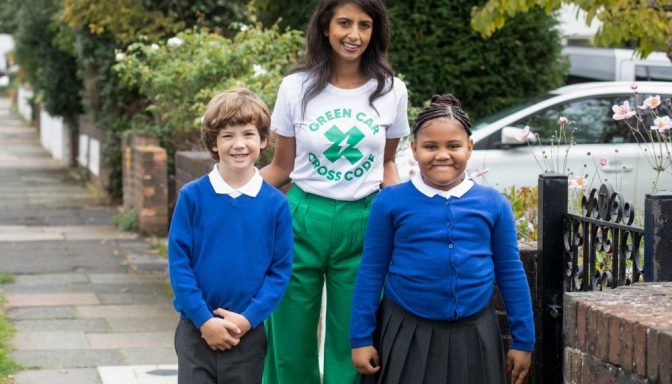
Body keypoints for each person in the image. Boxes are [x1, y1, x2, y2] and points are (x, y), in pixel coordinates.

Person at [260, 0, 410, 383]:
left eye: (364, 25)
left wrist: (410, 212)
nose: (354, 35)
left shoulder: (391, 90)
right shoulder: (296, 87)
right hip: (302, 217)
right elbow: (281, 167)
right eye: (344, 23)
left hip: (364, 221)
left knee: (354, 344)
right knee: (290, 341)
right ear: (326, 26)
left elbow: (387, 165)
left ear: (375, 31)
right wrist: (225, 195)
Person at [350, 95, 535, 384]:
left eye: (453, 146)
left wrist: (523, 340)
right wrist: (361, 337)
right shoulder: (390, 202)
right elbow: (371, 272)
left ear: (470, 147)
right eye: (430, 146)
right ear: (414, 149)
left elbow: (511, 273)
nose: (442, 155)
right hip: (406, 330)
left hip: (476, 332)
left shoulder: (493, 204)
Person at [168, 87, 293, 384]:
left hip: (247, 333)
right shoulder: (193, 197)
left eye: (248, 134)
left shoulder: (276, 204)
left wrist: (248, 318)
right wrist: (203, 320)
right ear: (213, 144)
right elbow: (179, 264)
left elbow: (280, 271)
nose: (239, 144)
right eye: (227, 135)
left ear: (263, 140)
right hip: (195, 329)